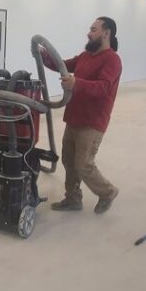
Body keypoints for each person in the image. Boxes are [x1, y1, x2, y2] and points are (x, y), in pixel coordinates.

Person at [42, 16, 122, 214]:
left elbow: (104, 88)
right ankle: (73, 199)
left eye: (93, 29)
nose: (89, 33)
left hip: (92, 122)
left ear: (106, 33)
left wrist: (76, 83)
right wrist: (43, 54)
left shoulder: (112, 60)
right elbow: (63, 64)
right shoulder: (86, 56)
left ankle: (108, 192)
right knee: (69, 161)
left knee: (83, 165)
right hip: (74, 118)